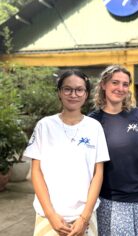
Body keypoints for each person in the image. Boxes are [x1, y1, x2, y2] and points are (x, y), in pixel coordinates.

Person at [23, 69, 110, 236]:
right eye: (67, 89)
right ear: (59, 93)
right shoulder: (44, 125)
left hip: (84, 216)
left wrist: (84, 218)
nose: (73, 94)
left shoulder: (94, 127)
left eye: (79, 89)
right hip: (48, 215)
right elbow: (36, 171)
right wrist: (51, 215)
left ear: (86, 94)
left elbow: (98, 173)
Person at [89, 64, 138, 236]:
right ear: (103, 85)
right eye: (115, 82)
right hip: (112, 200)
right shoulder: (93, 122)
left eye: (125, 84)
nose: (120, 88)